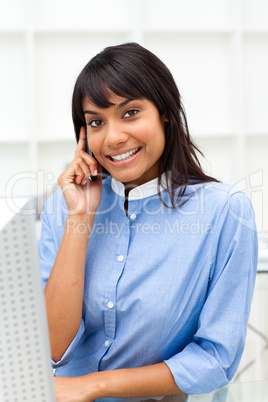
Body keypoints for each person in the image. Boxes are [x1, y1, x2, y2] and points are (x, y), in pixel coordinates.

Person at [39, 43, 258, 402]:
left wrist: (94, 385)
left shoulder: (224, 213)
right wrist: (80, 218)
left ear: (165, 113)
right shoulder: (63, 209)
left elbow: (215, 359)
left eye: (130, 113)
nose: (113, 137)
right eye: (96, 121)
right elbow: (51, 349)